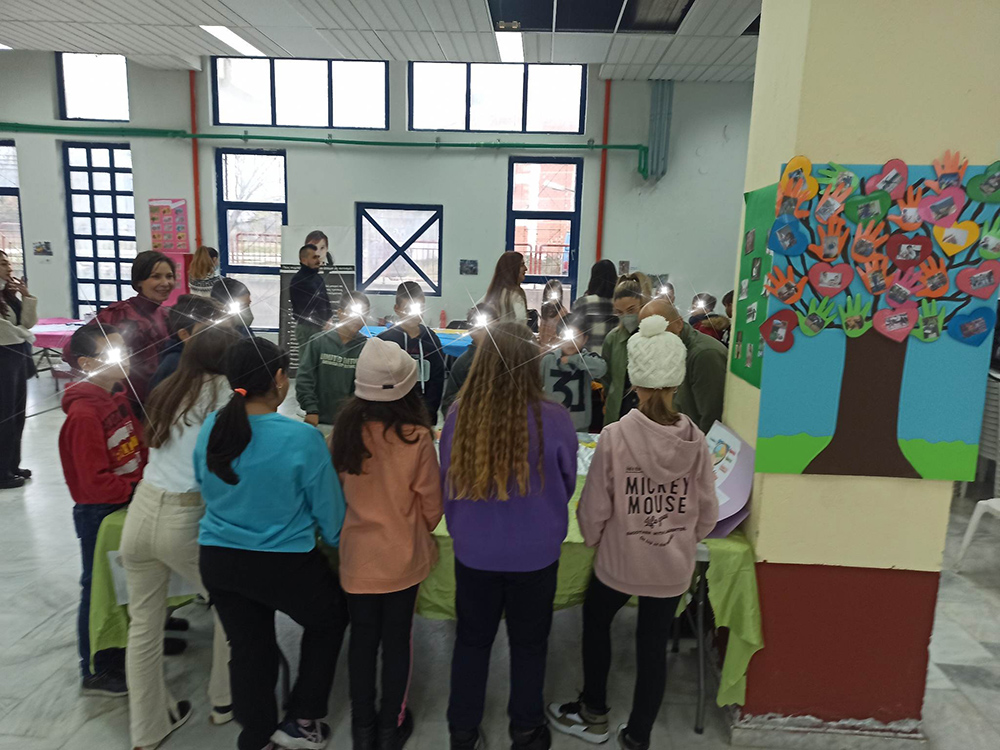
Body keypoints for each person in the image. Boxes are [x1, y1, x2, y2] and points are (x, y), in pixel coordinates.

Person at [548, 314, 718, 750]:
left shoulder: (615, 436)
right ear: (676, 382)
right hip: (671, 566)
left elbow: (594, 508)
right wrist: (683, 537)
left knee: (596, 622)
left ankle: (594, 712)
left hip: (620, 561)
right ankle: (639, 735)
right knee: (652, 645)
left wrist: (593, 538)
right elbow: (706, 513)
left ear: (635, 384)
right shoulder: (697, 440)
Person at [195, 337, 348, 750]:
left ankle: (256, 735)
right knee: (329, 619)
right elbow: (331, 517)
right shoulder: (302, 438)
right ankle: (302, 718)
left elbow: (202, 486)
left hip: (219, 560)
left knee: (248, 648)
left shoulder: (212, 427)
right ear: (280, 379)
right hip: (283, 564)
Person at [441, 322, 578, 750]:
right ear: (531, 364)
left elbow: (447, 479)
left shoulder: (459, 415)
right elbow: (567, 482)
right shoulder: (555, 418)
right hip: (535, 553)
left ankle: (462, 731)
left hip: (474, 551)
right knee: (530, 644)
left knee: (471, 641)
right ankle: (525, 728)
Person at [121, 324, 240, 750]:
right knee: (234, 603)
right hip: (185, 516)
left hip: (142, 511)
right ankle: (224, 699)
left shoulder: (167, 389)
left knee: (144, 626)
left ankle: (147, 729)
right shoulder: (226, 396)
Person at [331, 337, 444, 750]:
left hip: (356, 561)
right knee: (398, 643)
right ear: (410, 389)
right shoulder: (417, 437)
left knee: (362, 643)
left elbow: (332, 499)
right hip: (402, 561)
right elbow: (432, 506)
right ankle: (389, 726)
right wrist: (414, 529)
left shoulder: (342, 435)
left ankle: (362, 729)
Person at [60, 325, 147, 697]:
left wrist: (145, 480)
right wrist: (132, 491)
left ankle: (129, 646)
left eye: (124, 351)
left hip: (127, 500)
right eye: (112, 354)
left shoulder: (119, 398)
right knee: (98, 587)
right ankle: (97, 666)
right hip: (100, 512)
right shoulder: (83, 415)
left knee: (126, 581)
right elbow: (92, 482)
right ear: (86, 363)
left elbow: (138, 447)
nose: (124, 359)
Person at [68, 251, 176, 411]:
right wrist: (105, 384)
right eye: (156, 277)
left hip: (159, 400)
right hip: (127, 402)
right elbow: (72, 351)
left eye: (169, 276)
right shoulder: (119, 314)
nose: (165, 283)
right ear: (139, 281)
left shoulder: (165, 314)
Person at [640, 297, 727, 434]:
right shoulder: (670, 348)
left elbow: (712, 418)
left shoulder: (705, 354)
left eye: (659, 331)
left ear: (679, 324)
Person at [297, 291, 371, 434]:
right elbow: (305, 378)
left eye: (364, 314)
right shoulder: (318, 342)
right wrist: (311, 409)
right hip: (318, 419)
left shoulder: (366, 347)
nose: (358, 318)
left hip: (351, 422)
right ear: (340, 313)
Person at [378, 282, 446, 424]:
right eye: (408, 309)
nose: (414, 314)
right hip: (390, 416)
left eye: (419, 308)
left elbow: (437, 380)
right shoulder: (385, 341)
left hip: (424, 416)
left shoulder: (432, 340)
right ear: (397, 309)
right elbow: (379, 380)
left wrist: (428, 414)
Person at [0, 250, 36, 489]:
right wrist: (25, 334)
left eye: (8, 263)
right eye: (3, 264)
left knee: (17, 414)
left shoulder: (7, 295)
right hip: (3, 357)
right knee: (3, 414)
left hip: (17, 356)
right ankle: (1, 471)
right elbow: (4, 330)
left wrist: (27, 297)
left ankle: (12, 465)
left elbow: (28, 323)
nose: (9, 267)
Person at [601, 274, 653, 427]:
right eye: (619, 312)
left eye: (631, 310)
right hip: (618, 414)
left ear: (644, 304)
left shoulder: (657, 338)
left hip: (649, 415)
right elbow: (607, 378)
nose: (626, 317)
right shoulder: (613, 339)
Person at [540, 314, 607, 433]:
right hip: (551, 424)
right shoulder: (548, 360)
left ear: (585, 339)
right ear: (558, 338)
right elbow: (536, 387)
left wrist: (573, 359)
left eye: (576, 337)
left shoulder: (588, 360)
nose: (570, 342)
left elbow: (602, 369)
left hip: (580, 427)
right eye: (565, 336)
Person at [149, 294, 224, 392]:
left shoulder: (206, 355)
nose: (219, 336)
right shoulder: (176, 365)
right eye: (208, 331)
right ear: (184, 334)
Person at [441, 303, 496, 417]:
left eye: (492, 328)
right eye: (481, 329)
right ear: (471, 331)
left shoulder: (507, 358)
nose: (487, 333)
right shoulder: (463, 363)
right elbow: (447, 405)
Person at [290, 242, 332, 350]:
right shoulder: (298, 280)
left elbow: (325, 300)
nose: (318, 260)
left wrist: (329, 319)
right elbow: (306, 308)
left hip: (321, 327)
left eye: (318, 257)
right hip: (308, 329)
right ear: (304, 260)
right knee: (308, 360)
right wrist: (323, 323)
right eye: (314, 257)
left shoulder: (318, 278)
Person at [572, 260, 618, 351]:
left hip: (587, 357)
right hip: (612, 357)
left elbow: (573, 333)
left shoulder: (583, 303)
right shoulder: (619, 304)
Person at [483, 252, 528, 324]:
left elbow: (475, 311)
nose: (526, 268)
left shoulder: (494, 292)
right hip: (512, 331)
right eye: (522, 265)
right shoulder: (515, 294)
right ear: (512, 269)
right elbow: (521, 319)